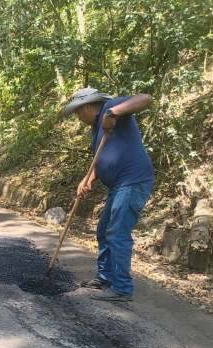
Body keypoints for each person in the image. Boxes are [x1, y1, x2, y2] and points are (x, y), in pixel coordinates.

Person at [62, 88, 155, 302]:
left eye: (78, 113)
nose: (78, 118)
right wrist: (88, 179)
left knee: (117, 232)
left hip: (132, 181)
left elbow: (145, 98)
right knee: (104, 231)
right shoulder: (97, 129)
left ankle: (122, 288)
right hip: (118, 186)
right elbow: (101, 159)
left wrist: (113, 113)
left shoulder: (110, 107)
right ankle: (105, 277)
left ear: (86, 107)